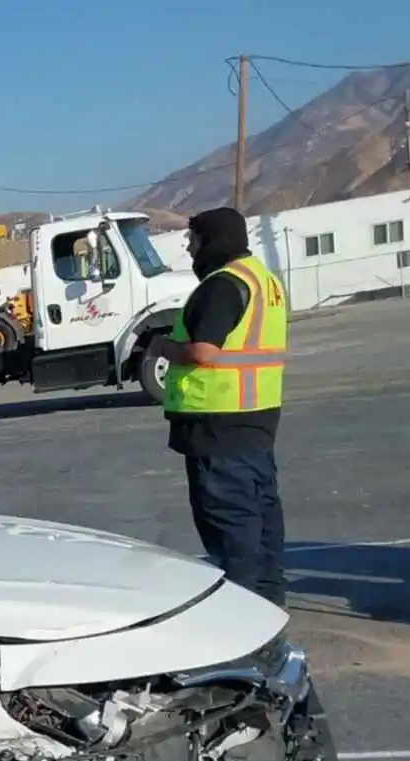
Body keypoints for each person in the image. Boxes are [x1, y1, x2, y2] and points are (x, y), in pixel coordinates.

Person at [149, 206, 289, 606]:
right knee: (261, 518)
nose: (190, 249)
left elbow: (205, 352)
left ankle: (244, 616)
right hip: (255, 416)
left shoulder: (223, 285)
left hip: (218, 423)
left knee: (231, 525)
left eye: (193, 240)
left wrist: (165, 348)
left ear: (213, 240)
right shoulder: (264, 280)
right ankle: (269, 603)